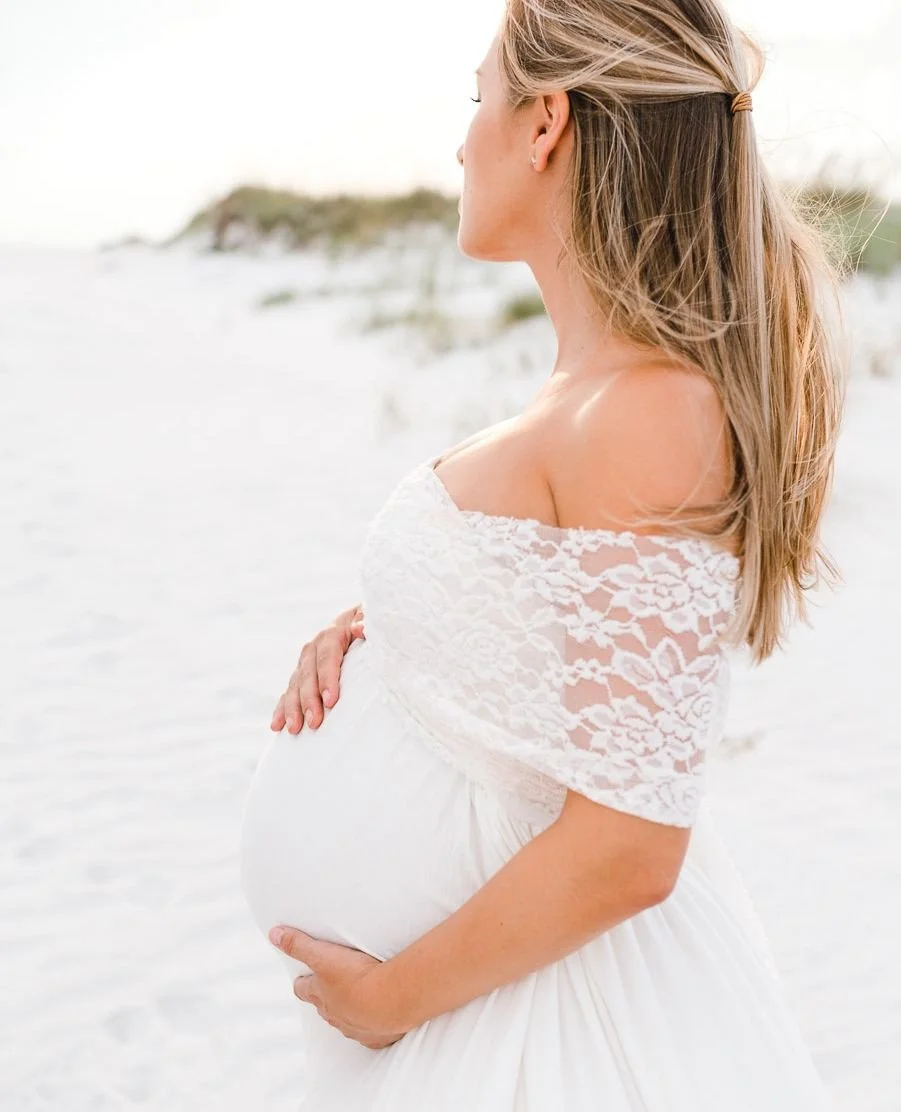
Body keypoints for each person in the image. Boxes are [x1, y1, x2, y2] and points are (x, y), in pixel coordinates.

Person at [239, 1, 845, 1108]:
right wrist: (388, 635)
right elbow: (554, 643)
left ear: (545, 125)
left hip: (553, 1024)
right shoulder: (593, 392)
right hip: (494, 1005)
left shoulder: (649, 407)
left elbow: (631, 845)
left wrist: (391, 1000)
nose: (459, 141)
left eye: (480, 98)